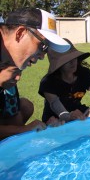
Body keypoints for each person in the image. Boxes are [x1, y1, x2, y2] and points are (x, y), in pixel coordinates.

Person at [0, 8, 70, 139]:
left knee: (25, 107)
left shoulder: (11, 62)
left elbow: (14, 119)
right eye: (42, 45)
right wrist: (22, 131)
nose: (43, 56)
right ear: (20, 33)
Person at [39, 39, 90, 123]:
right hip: (55, 118)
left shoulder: (84, 73)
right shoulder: (48, 82)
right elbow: (60, 111)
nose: (73, 62)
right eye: (67, 60)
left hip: (80, 113)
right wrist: (69, 116)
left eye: (74, 57)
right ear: (58, 65)